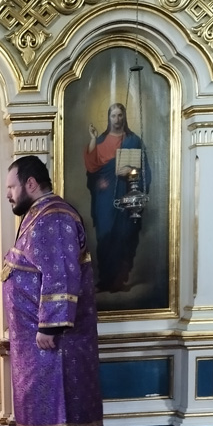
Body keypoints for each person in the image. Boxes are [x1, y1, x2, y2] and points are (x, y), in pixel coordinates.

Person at [2, 156, 106, 426]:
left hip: (53, 341)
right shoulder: (38, 215)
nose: (9, 194)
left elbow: (60, 273)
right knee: (38, 401)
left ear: (31, 184)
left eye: (11, 187)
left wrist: (50, 325)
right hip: (34, 341)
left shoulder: (54, 216)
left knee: (55, 400)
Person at [84, 102, 151, 293]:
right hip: (104, 197)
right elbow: (91, 166)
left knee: (124, 234)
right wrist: (93, 139)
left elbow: (143, 170)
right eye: (113, 115)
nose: (117, 119)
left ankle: (119, 280)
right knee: (105, 235)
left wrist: (130, 171)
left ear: (125, 117)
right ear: (108, 118)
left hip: (126, 193)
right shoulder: (101, 140)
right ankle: (105, 280)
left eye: (120, 115)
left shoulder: (133, 140)